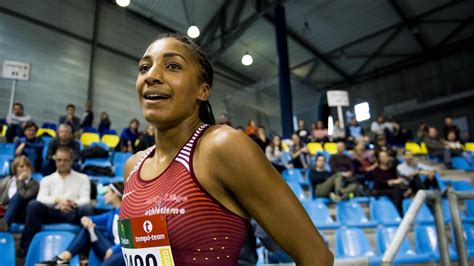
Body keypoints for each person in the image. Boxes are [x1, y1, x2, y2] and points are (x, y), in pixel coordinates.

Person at [120, 33, 333, 265]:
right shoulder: (133, 166)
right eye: (144, 68)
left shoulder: (221, 146)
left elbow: (317, 256)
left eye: (172, 66)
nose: (151, 76)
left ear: (203, 90)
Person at [20, 147, 93, 255]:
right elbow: (41, 198)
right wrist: (58, 200)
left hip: (73, 212)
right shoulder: (47, 179)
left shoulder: (83, 178)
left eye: (65, 160)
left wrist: (70, 203)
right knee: (33, 205)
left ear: (71, 161)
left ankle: (86, 252)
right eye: (59, 160)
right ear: (55, 160)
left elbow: (85, 199)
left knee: (87, 209)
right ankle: (27, 248)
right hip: (53, 212)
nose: (62, 163)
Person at [38, 182, 125, 266]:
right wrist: (85, 219)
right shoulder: (112, 214)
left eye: (107, 192)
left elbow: (132, 240)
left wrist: (113, 250)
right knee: (88, 227)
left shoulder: (128, 214)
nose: (104, 195)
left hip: (122, 251)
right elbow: (91, 219)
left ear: (115, 194)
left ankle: (62, 259)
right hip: (109, 247)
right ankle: (63, 257)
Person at [0, 156, 39, 228]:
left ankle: (4, 225)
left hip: (23, 214)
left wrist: (20, 180)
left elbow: (24, 196)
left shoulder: (35, 184)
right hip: (5, 212)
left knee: (17, 196)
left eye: (27, 166)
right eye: (21, 166)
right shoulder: (7, 181)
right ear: (15, 168)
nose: (25, 169)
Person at [370, 150, 405, 215]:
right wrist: (391, 181)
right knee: (397, 192)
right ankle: (398, 211)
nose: (384, 158)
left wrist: (395, 181)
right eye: (382, 157)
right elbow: (379, 182)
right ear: (379, 159)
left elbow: (396, 179)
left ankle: (397, 210)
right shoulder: (376, 170)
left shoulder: (392, 168)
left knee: (397, 189)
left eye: (385, 156)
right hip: (380, 189)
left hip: (391, 188)